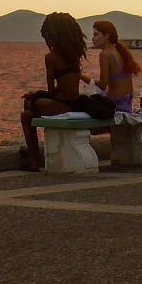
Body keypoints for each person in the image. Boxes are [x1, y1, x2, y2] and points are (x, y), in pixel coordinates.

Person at [19, 12, 86, 171]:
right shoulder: (75, 55)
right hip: (75, 102)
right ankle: (33, 156)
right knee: (30, 109)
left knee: (27, 110)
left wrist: (35, 95)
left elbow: (51, 91)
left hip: (62, 104)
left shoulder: (51, 57)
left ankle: (33, 159)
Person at [80, 19, 142, 120]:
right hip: (127, 103)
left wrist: (81, 76)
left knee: (82, 101)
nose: (93, 39)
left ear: (107, 36)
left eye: (96, 35)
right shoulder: (119, 51)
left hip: (115, 105)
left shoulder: (105, 54)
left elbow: (103, 86)